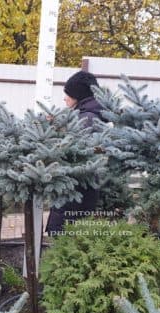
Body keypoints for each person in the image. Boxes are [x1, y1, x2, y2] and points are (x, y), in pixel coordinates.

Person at [45, 70, 104, 236]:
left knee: (64, 236)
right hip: (79, 191)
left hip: (74, 192)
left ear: (79, 96)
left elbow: (71, 151)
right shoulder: (89, 116)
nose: (65, 98)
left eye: (68, 95)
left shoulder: (86, 119)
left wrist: (52, 131)